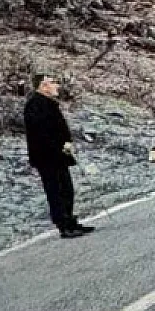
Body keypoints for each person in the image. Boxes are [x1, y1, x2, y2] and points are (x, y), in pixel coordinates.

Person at [23, 74, 94, 239]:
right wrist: (60, 145)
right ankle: (63, 226)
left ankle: (70, 221)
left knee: (66, 189)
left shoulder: (49, 103)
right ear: (43, 86)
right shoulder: (35, 105)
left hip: (58, 155)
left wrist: (67, 143)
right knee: (55, 191)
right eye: (52, 83)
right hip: (46, 157)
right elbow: (41, 133)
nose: (57, 86)